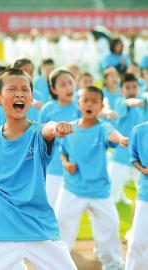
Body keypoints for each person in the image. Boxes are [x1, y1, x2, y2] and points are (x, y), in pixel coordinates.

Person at [0, 68, 77, 270]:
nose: (19, 93)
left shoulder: (38, 133)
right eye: (12, 89)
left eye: (25, 89)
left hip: (37, 225)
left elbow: (49, 129)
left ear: (30, 97)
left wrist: (56, 127)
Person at [55, 86, 127, 270]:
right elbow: (63, 152)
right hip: (72, 188)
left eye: (94, 101)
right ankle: (57, 264)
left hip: (99, 191)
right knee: (61, 224)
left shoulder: (103, 127)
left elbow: (113, 135)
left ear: (101, 106)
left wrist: (122, 140)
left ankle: (113, 264)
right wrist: (66, 164)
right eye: (86, 100)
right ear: (79, 104)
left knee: (110, 226)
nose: (89, 104)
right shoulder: (69, 128)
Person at [39, 68, 80, 208]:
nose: (69, 87)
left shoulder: (80, 107)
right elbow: (41, 137)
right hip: (53, 168)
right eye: (63, 85)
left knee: (69, 211)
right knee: (49, 206)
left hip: (75, 167)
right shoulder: (48, 109)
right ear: (53, 89)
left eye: (70, 82)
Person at [109, 73, 146, 204]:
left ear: (138, 88)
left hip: (140, 157)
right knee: (111, 187)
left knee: (143, 189)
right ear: (121, 90)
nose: (131, 90)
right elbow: (128, 102)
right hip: (121, 155)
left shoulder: (143, 105)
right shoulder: (120, 103)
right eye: (127, 87)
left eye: (134, 87)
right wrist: (135, 101)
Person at [125, 121, 148, 269]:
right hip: (146, 195)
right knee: (137, 241)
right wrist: (143, 169)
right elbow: (133, 158)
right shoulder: (139, 131)